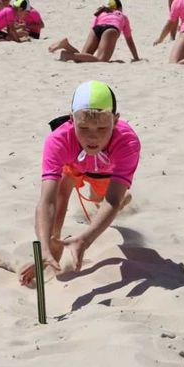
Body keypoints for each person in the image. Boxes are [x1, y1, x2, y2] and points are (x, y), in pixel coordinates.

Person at [16, 80, 140, 286]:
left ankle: (121, 199)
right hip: (75, 163)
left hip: (105, 171)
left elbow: (112, 199)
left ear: (116, 120)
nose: (93, 136)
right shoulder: (58, 140)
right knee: (63, 190)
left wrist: (85, 239)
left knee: (102, 199)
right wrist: (45, 246)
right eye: (84, 127)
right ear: (72, 119)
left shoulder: (127, 142)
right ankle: (54, 249)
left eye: (102, 127)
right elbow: (47, 201)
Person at [47, 0, 140, 63]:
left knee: (82, 57)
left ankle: (66, 45)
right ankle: (68, 56)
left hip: (96, 29)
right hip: (110, 29)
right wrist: (136, 58)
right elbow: (129, 40)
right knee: (101, 60)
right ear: (119, 8)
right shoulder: (122, 15)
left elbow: (93, 28)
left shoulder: (101, 13)